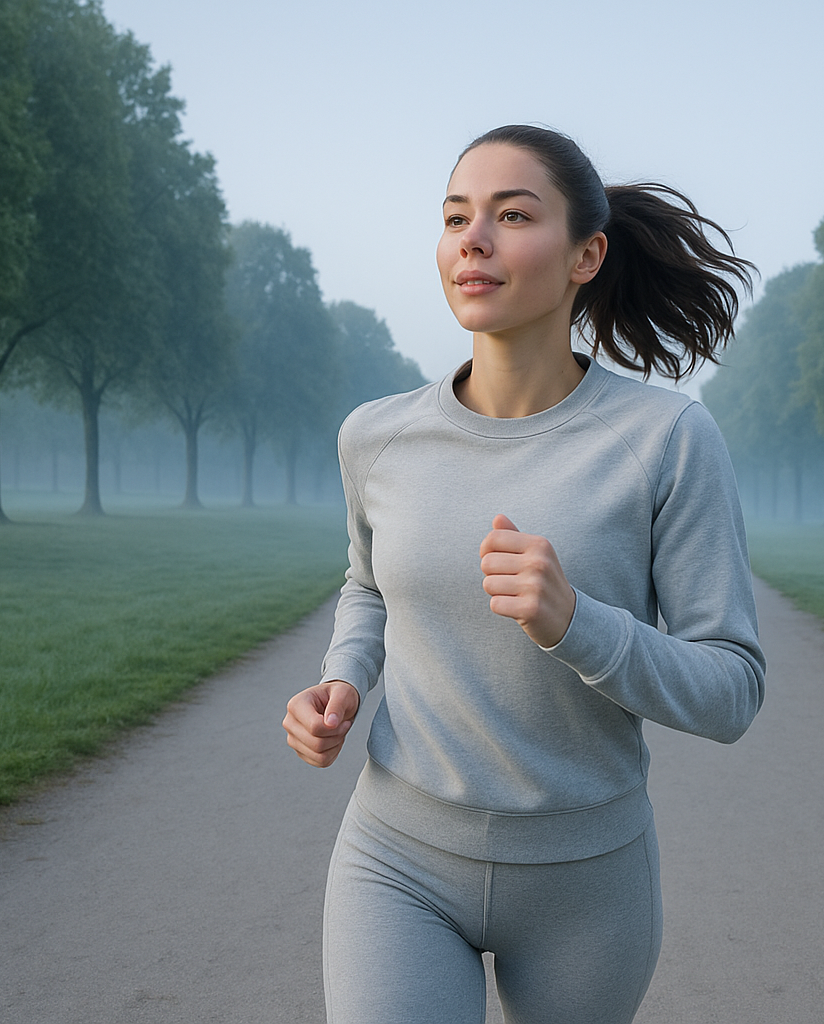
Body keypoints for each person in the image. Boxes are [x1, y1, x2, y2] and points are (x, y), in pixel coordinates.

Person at [282, 124, 766, 1024]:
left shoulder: (666, 440)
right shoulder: (377, 437)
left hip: (589, 881)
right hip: (399, 855)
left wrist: (578, 623)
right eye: (457, 216)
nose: (474, 237)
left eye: (512, 214)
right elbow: (369, 585)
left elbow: (732, 691)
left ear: (588, 254)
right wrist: (342, 678)